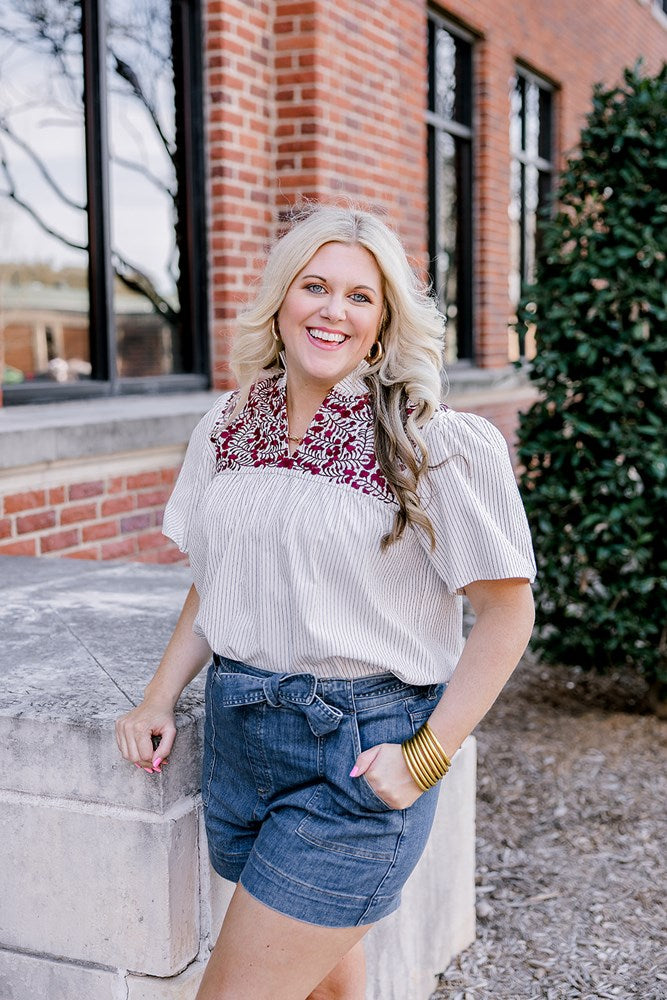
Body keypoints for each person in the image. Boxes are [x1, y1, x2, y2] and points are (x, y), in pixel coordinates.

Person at [115, 204, 536, 1000]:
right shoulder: (230, 424)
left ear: (381, 324)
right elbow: (218, 578)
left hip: (356, 752)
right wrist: (156, 697)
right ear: (282, 300)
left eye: (358, 297)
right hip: (242, 744)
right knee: (327, 991)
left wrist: (424, 758)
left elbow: (508, 614)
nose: (332, 311)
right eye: (314, 286)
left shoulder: (428, 440)